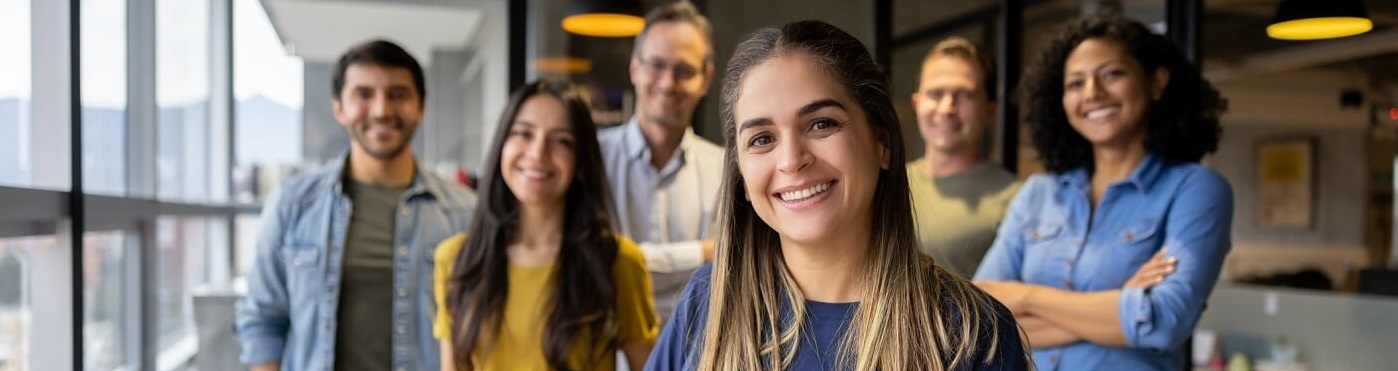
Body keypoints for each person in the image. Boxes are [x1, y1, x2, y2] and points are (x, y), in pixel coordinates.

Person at [646, 20, 1030, 371]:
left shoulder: (973, 332)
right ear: (741, 177)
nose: (792, 160)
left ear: (882, 143)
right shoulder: (708, 303)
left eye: (821, 123)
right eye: (762, 139)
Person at [973, 15, 1232, 371]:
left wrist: (1025, 296)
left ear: (1156, 82)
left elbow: (1163, 320)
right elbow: (980, 318)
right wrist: (1120, 303)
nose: (1092, 93)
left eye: (1112, 74)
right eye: (1075, 83)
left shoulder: (1195, 189)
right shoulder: (1038, 193)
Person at [236, 40, 477, 371]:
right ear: (339, 108)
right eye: (363, 94)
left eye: (398, 94)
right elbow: (262, 319)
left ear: (422, 107)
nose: (381, 110)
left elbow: (479, 326)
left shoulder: (465, 212)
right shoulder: (293, 204)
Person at [434, 80, 659, 371]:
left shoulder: (618, 261)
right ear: (502, 143)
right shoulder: (455, 259)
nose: (538, 153)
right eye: (523, 134)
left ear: (580, 160)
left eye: (561, 140)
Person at [596, 1, 725, 320]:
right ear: (635, 67)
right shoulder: (592, 158)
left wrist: (627, 259)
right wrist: (701, 253)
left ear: (705, 79)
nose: (668, 83)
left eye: (684, 70)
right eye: (656, 65)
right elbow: (593, 262)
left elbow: (731, 268)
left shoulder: (728, 169)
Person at [907, 37, 1021, 276]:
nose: (947, 108)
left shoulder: (1015, 200)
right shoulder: (887, 181)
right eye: (935, 94)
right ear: (917, 103)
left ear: (990, 109)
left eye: (964, 95)